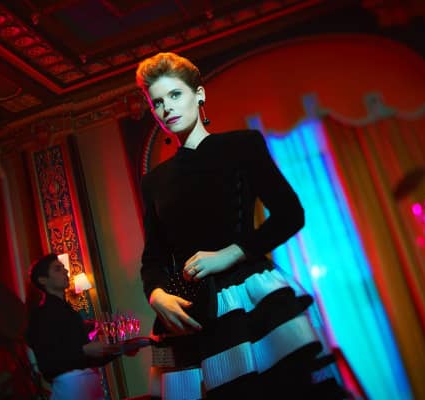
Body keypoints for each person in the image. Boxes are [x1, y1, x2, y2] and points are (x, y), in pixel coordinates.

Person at [136, 52, 349, 399]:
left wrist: (232, 253)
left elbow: (291, 213)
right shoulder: (154, 182)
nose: (166, 108)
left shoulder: (242, 145)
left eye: (174, 95)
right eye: (156, 103)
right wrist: (156, 294)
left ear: (199, 94)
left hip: (249, 293)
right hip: (185, 309)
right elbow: (153, 258)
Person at [25, 254, 121, 400]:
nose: (66, 271)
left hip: (88, 386)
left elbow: (85, 360)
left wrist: (119, 350)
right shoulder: (40, 315)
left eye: (64, 268)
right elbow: (48, 362)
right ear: (43, 280)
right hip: (70, 388)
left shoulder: (71, 312)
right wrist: (84, 350)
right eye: (58, 269)